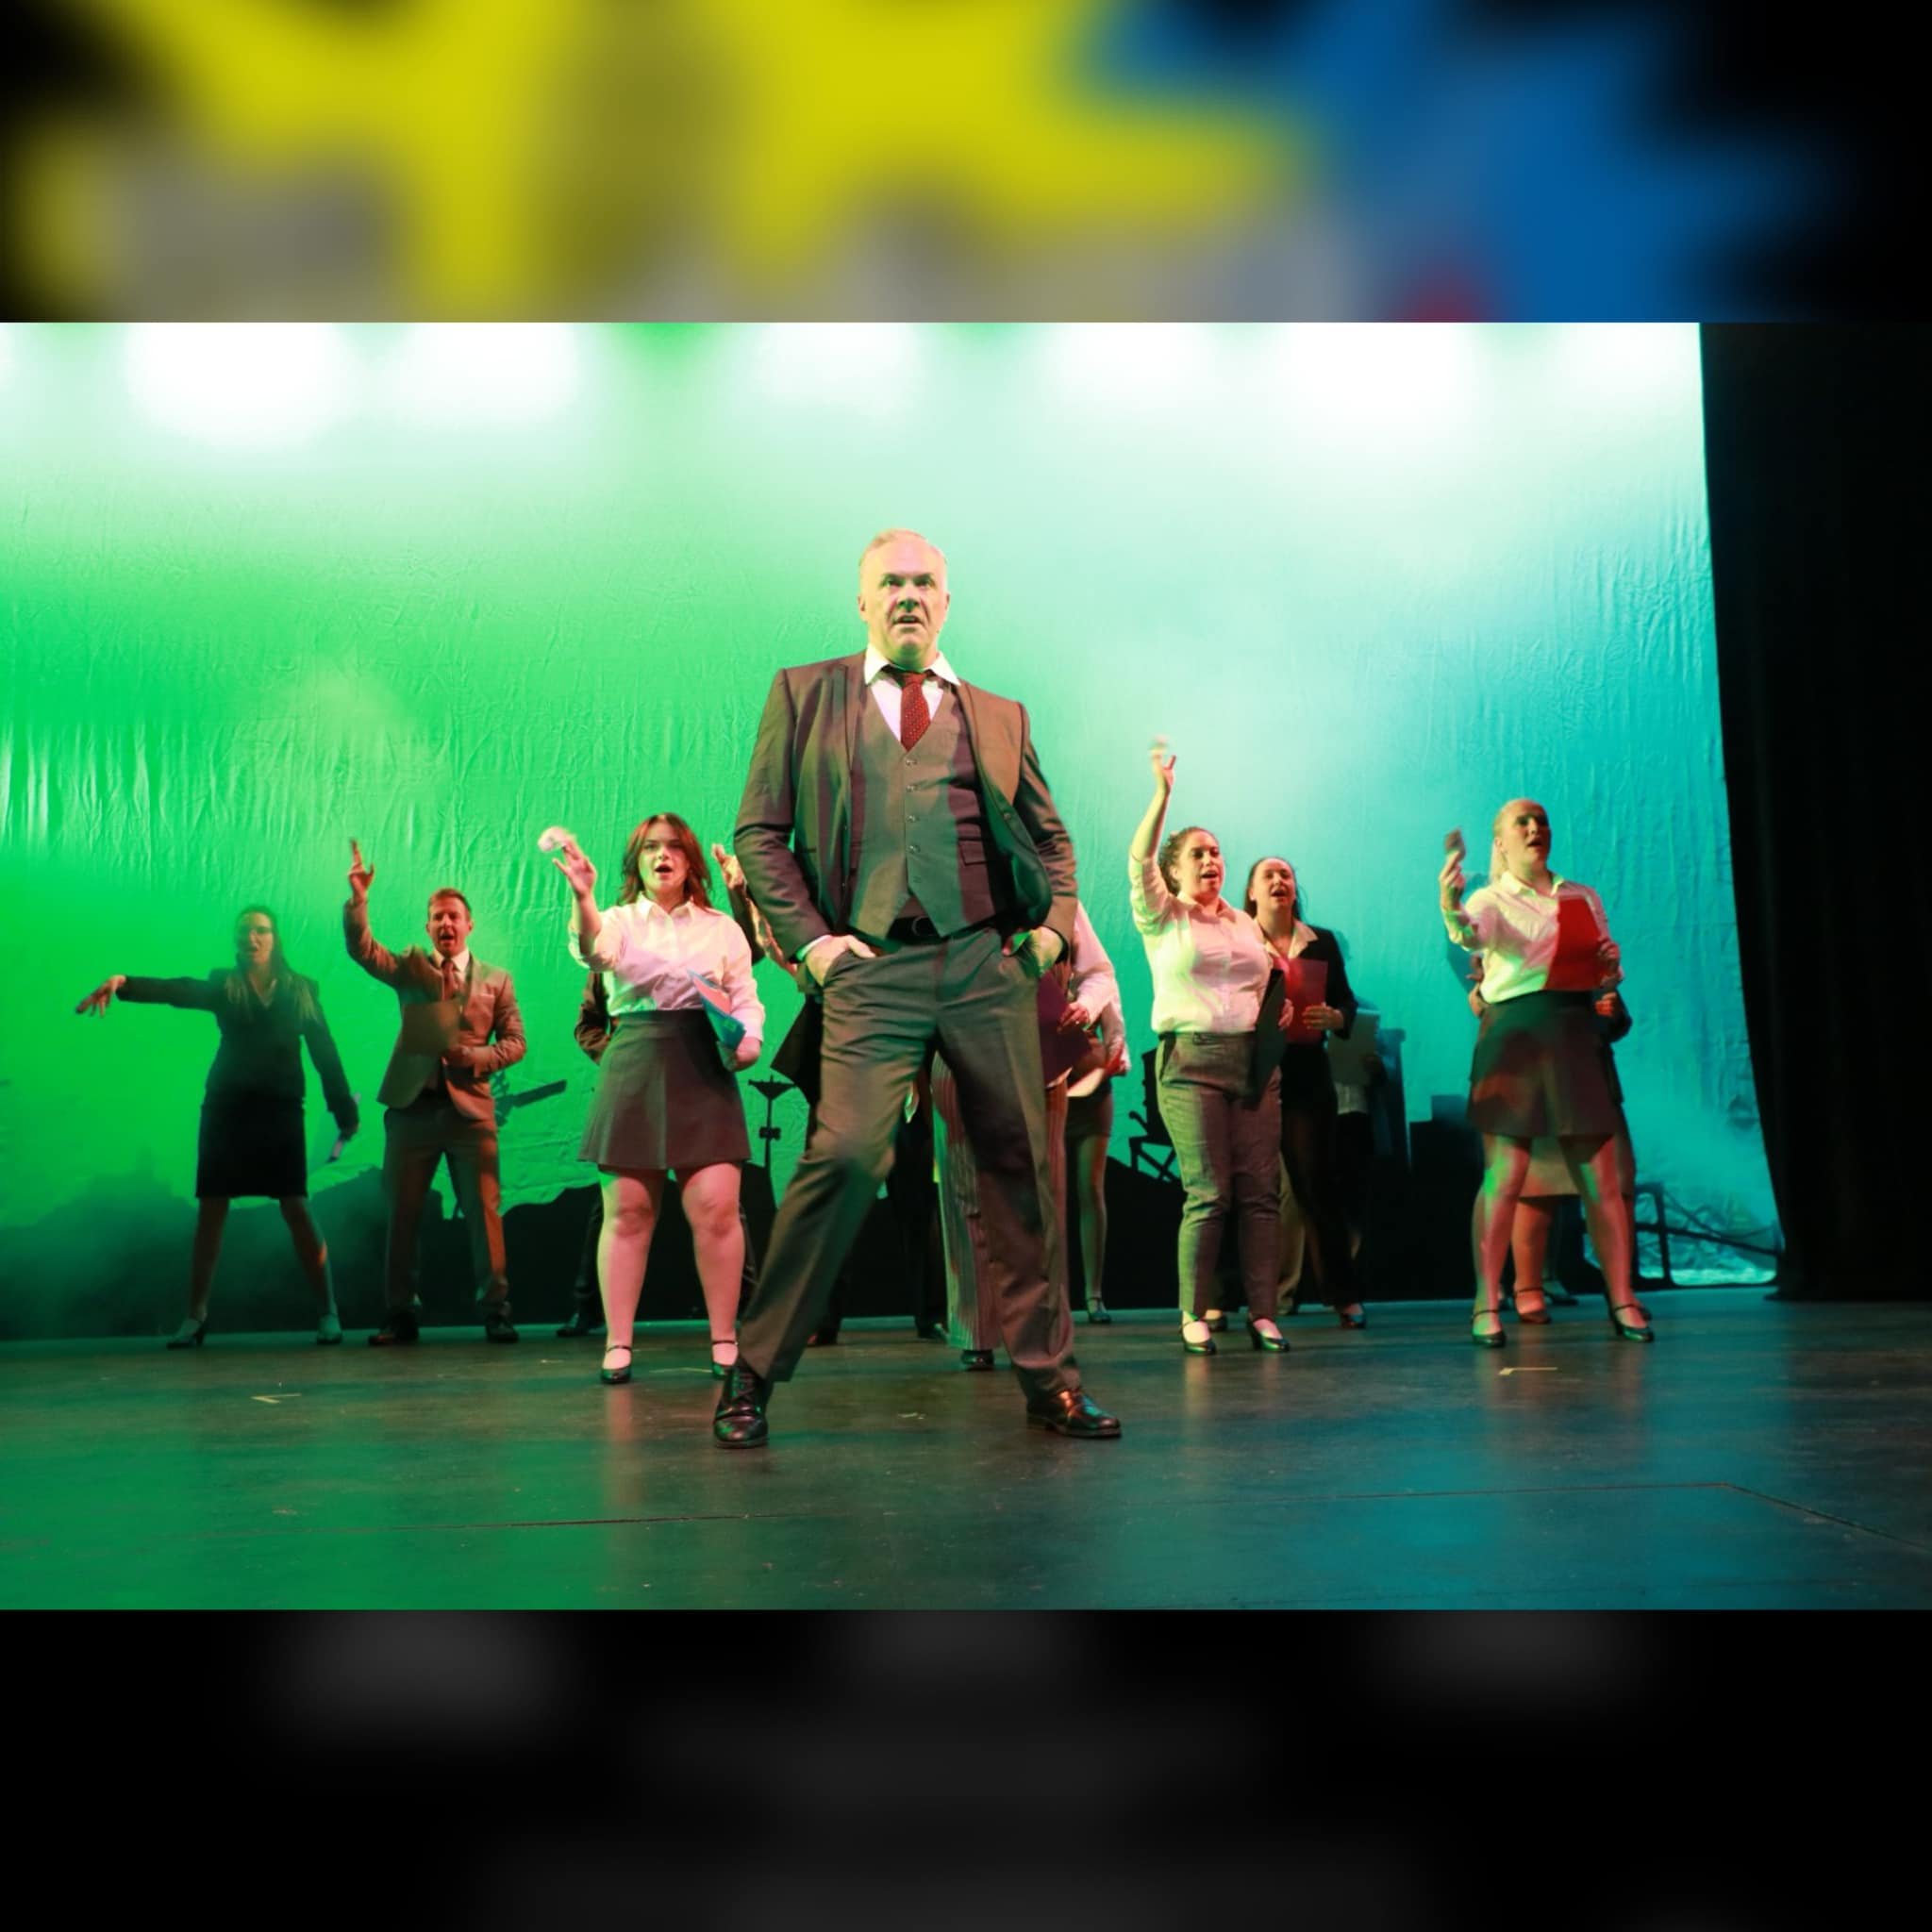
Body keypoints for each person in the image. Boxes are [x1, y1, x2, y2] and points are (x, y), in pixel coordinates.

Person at [723, 527, 1119, 1446]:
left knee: (1019, 1165)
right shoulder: (804, 693)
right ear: (861, 600)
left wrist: (1052, 932)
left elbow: (1050, 841)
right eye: (889, 582)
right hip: (869, 964)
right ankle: (751, 1368)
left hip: (983, 963)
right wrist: (814, 947)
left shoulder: (995, 713)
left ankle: (1048, 1382)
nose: (908, 594)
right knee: (848, 1155)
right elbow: (758, 832)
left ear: (946, 600)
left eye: (924, 582)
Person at [75, 906, 359, 1346]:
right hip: (226, 1108)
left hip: (280, 1110)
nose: (253, 938)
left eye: (262, 930)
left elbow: (326, 1052)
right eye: (245, 931)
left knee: (295, 1206)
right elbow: (179, 990)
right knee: (212, 1208)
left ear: (275, 938)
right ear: (236, 939)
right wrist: (124, 983)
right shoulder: (225, 984)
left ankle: (328, 1311)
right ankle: (196, 1316)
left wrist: (344, 1112)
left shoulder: (302, 990)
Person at [552, 813, 764, 1385]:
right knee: (628, 1215)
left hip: (703, 1063)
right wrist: (583, 896)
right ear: (637, 862)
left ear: (691, 861)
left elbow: (745, 997)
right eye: (650, 848)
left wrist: (748, 1042)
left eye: (673, 847)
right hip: (636, 1061)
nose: (662, 856)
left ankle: (725, 1336)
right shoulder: (617, 919)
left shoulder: (722, 928)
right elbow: (596, 954)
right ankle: (618, 1343)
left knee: (718, 1211)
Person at [1439, 799, 1652, 1347]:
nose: (1535, 828)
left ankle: (1622, 1298)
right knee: (1504, 1177)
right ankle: (1488, 1302)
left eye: (1541, 821)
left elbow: (1606, 968)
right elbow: (1469, 934)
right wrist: (1449, 901)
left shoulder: (1582, 895)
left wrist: (1608, 963)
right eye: (1521, 823)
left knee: (1602, 1177)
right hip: (1516, 1035)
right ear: (1502, 842)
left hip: (1574, 1031)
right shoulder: (1491, 899)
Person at [1128, 744, 1291, 1355]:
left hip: (1253, 1063)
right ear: (1175, 870)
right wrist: (1162, 795)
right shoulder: (1162, 916)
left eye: (1217, 852)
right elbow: (1138, 857)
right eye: (1198, 853)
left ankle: (1264, 1313)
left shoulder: (1244, 924)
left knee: (1259, 1192)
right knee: (1209, 1192)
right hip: (1191, 1064)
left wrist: (1283, 1008)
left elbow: (1268, 981)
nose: (1211, 861)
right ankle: (1194, 1312)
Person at [343, 842, 526, 1344]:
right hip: (412, 1110)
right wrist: (359, 901)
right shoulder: (409, 968)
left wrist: (479, 1058)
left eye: (454, 917)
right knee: (401, 1214)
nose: (446, 925)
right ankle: (400, 1313)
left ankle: (496, 1310)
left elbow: (516, 1041)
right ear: (427, 928)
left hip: (471, 1113)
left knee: (484, 1214)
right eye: (436, 918)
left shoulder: (496, 979)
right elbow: (362, 951)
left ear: (470, 925)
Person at [938, 901, 1123, 1365]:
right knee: (966, 1192)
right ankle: (976, 1332)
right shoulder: (941, 887)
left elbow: (1098, 971)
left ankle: (1046, 1331)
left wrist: (1085, 1006)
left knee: (1044, 1197)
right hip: (960, 1048)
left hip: (1044, 1052)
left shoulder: (1057, 898)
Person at [1465, 971, 1639, 1321]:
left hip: (1586, 1078)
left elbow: (1615, 1023)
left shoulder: (1583, 954)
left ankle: (1620, 1290)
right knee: (1535, 1187)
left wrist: (1610, 1010)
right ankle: (1528, 1286)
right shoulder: (1509, 949)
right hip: (1532, 1078)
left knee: (1616, 1186)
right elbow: (1483, 1004)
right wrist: (1484, 985)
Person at [1243, 858, 1368, 1329]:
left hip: (1307, 1070)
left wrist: (1338, 1019)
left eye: (1287, 875)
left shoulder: (1322, 942)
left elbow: (1347, 1000)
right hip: (1252, 1067)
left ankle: (1343, 1296)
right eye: (1268, 876)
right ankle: (1234, 1298)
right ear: (1251, 892)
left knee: (1316, 1184)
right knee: (1245, 1188)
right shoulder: (1238, 936)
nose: (1279, 881)